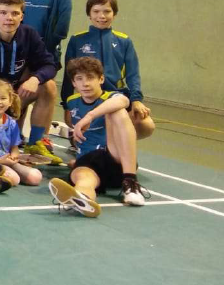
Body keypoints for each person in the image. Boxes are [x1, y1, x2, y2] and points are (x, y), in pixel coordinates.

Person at [0, 0, 62, 165]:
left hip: (15, 96)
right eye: (3, 13)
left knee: (48, 85)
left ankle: (36, 143)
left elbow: (50, 65)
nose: (9, 18)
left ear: (22, 16)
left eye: (15, 13)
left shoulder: (29, 35)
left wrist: (35, 79)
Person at [49, 57, 149, 217]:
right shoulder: (72, 102)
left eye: (90, 78)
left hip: (114, 157)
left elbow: (123, 101)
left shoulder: (111, 97)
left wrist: (90, 116)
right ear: (73, 83)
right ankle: (81, 198)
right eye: (79, 79)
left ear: (101, 79)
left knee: (116, 112)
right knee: (83, 179)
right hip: (88, 162)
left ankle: (130, 183)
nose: (85, 84)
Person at [61, 0, 155, 139]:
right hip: (87, 96)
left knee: (146, 125)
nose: (102, 16)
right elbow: (69, 76)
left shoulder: (124, 41)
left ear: (114, 14)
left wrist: (136, 100)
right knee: (82, 133)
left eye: (107, 11)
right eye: (96, 11)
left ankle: (116, 142)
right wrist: (67, 105)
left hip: (115, 95)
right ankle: (97, 141)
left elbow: (133, 75)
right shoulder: (77, 40)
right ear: (89, 14)